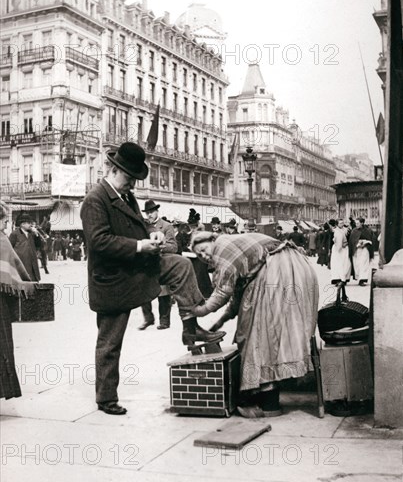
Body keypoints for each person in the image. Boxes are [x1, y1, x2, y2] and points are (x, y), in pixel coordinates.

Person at [80, 142, 224, 415]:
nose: (133, 184)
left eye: (135, 179)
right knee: (110, 341)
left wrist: (152, 235)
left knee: (180, 265)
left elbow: (139, 225)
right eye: (129, 178)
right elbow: (99, 242)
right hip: (113, 278)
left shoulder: (126, 196)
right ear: (113, 169)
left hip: (138, 267)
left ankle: (191, 328)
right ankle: (106, 397)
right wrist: (138, 246)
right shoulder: (94, 200)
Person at [191, 231, 319, 418]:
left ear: (212, 240)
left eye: (203, 250)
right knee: (273, 335)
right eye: (199, 255)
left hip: (278, 273)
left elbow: (222, 292)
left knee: (260, 338)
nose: (203, 256)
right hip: (295, 270)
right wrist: (221, 321)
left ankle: (268, 405)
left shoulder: (222, 245)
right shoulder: (235, 249)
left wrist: (199, 311)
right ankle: (267, 400)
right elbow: (237, 294)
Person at [0, 201, 37, 400]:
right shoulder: (3, 239)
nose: (6, 223)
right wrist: (28, 284)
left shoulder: (4, 238)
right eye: (4, 219)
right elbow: (14, 268)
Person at [137, 200, 178, 331]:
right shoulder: (143, 227)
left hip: (161, 262)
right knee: (143, 291)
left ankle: (164, 321)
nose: (149, 215)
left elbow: (174, 247)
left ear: (157, 212)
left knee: (163, 292)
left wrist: (160, 247)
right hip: (146, 263)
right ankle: (148, 318)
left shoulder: (166, 226)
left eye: (151, 212)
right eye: (147, 213)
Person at [9, 213, 41, 282]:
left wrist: (37, 234)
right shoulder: (15, 234)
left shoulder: (32, 234)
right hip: (21, 264)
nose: (31, 225)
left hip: (32, 263)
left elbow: (38, 245)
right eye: (29, 223)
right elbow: (10, 248)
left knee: (33, 282)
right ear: (22, 224)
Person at [349, 217, 374, 286]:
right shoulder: (354, 231)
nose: (356, 224)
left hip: (365, 250)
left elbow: (371, 240)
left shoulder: (368, 230)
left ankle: (362, 279)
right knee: (357, 264)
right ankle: (359, 277)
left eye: (358, 223)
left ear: (362, 223)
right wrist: (357, 244)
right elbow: (351, 241)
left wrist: (365, 243)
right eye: (356, 223)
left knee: (364, 264)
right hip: (356, 250)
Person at [330, 219, 351, 285]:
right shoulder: (334, 231)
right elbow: (331, 240)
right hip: (336, 249)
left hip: (344, 249)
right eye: (340, 223)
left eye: (342, 223)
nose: (342, 224)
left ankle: (344, 278)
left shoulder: (346, 230)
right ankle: (337, 279)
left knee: (345, 263)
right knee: (336, 264)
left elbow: (349, 239)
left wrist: (346, 244)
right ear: (337, 224)